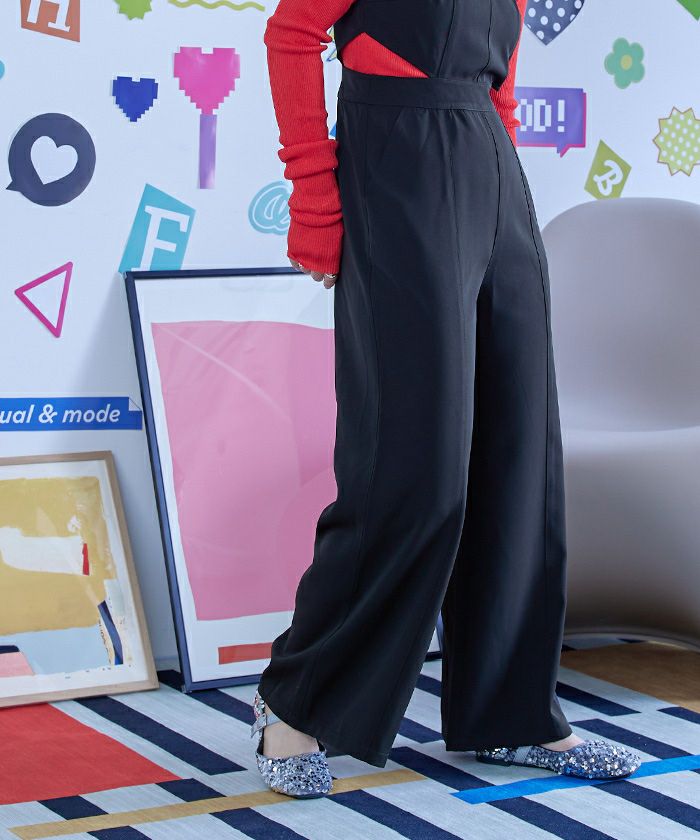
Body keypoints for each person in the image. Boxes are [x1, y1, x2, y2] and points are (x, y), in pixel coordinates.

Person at [250, 0, 642, 798]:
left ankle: (512, 715)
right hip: (397, 167)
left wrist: (501, 166)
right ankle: (294, 700)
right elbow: (291, 34)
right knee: (415, 468)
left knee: (517, 459)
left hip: (493, 173)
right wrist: (316, 205)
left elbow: (499, 83)